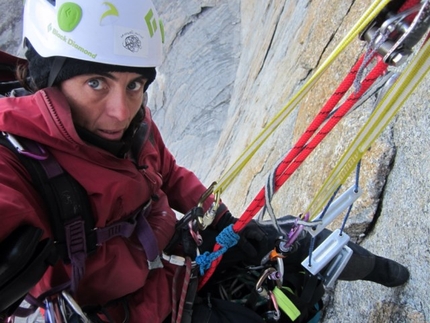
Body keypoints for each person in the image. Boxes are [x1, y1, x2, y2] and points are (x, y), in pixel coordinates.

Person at [0, 0, 408, 322]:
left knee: (297, 246)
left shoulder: (133, 124)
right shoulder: (20, 162)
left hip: (181, 251)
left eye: (134, 84)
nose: (120, 111)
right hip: (139, 308)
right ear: (47, 78)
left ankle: (397, 276)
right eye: (96, 82)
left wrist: (223, 222)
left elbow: (171, 175)